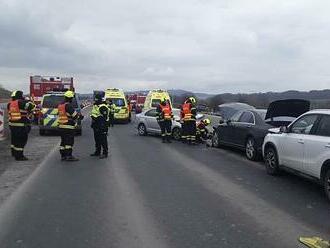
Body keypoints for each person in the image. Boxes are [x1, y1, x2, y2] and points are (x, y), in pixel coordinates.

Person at [7, 91, 35, 161]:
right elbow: (32, 107)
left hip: (12, 124)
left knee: (14, 139)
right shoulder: (22, 102)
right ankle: (19, 156)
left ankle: (14, 153)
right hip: (20, 125)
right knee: (21, 140)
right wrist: (28, 101)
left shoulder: (9, 104)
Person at [58, 90, 83, 162]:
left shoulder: (60, 106)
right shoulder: (68, 106)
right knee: (69, 142)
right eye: (72, 98)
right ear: (70, 98)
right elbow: (75, 116)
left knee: (63, 142)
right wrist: (80, 117)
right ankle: (69, 156)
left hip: (61, 126)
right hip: (68, 127)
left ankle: (63, 156)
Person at [90, 94, 110, 158]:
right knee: (97, 139)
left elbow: (104, 117)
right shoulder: (95, 106)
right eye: (95, 99)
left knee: (103, 139)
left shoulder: (103, 107)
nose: (95, 100)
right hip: (96, 125)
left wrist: (97, 119)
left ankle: (105, 153)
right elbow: (94, 114)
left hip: (102, 125)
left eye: (96, 99)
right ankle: (97, 152)